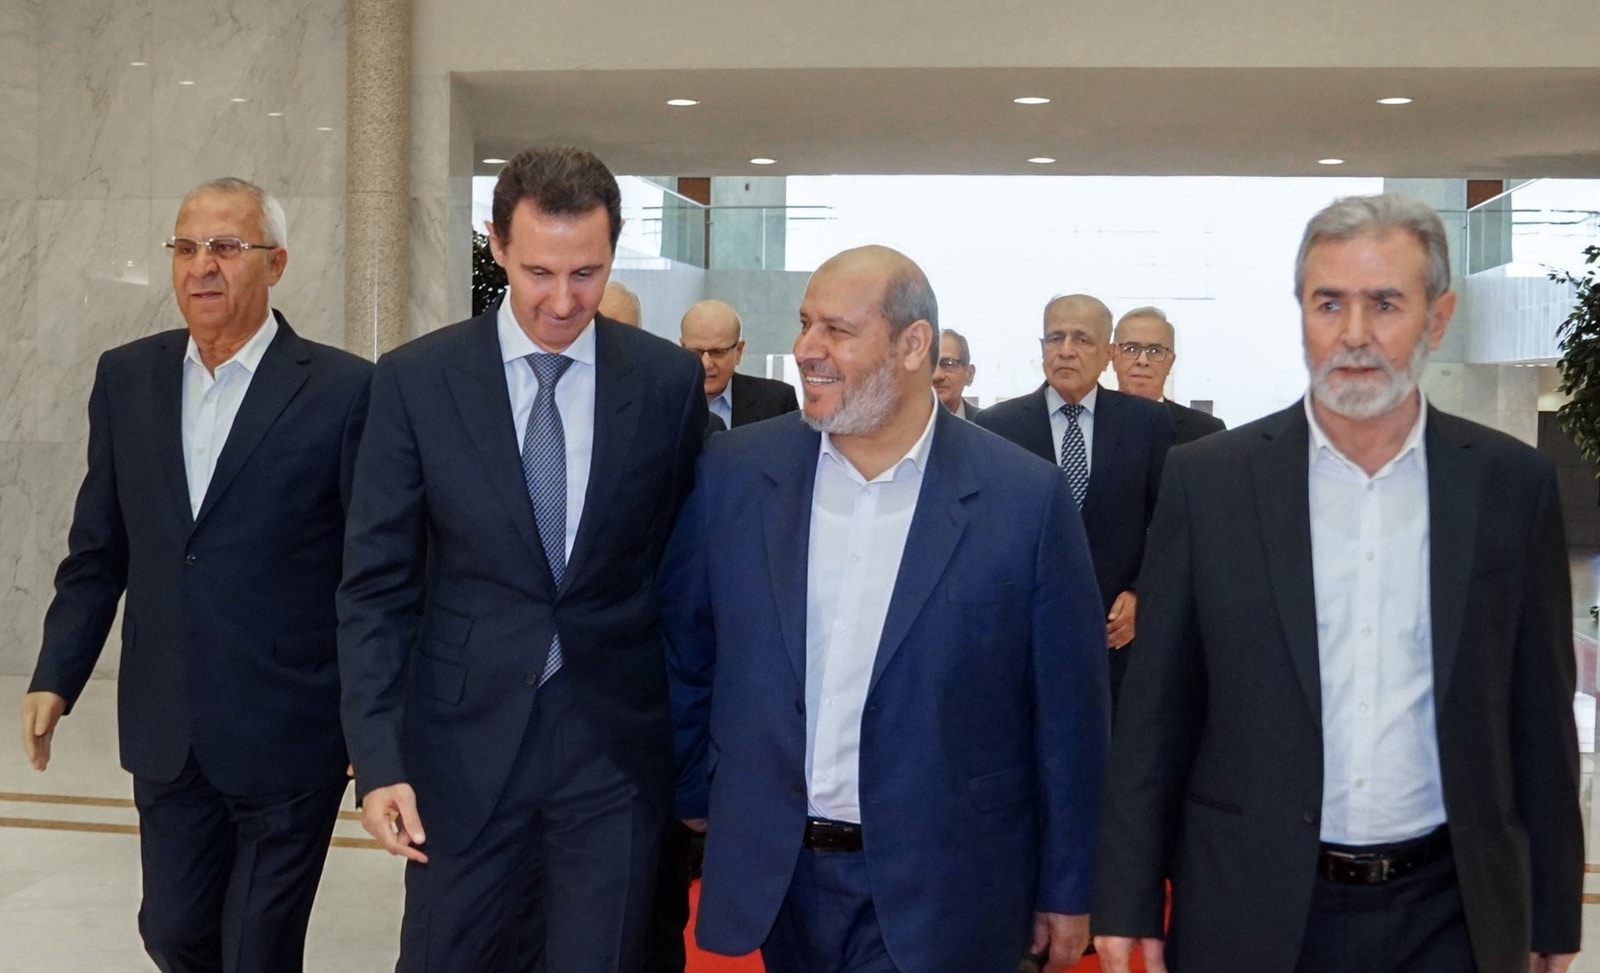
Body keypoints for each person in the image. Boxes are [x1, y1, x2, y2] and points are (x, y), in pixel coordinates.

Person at [1093, 193, 1582, 973]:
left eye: (1385, 303)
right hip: (1250, 902)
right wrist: (1126, 897)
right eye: (1329, 303)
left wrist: (1552, 911)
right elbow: (1156, 711)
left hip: (1449, 909)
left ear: (1438, 318)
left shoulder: (1508, 486)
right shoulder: (1209, 482)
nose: (1354, 333)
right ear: (1302, 315)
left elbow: (1539, 713)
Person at [663, 245, 1110, 973]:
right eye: (805, 324)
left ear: (913, 345)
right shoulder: (737, 473)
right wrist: (696, 790)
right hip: (780, 876)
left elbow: (1069, 711)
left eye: (837, 330)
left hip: (949, 880)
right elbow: (687, 648)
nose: (807, 349)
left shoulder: (1023, 498)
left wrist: (1069, 884)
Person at [338, 146, 707, 971]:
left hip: (614, 746)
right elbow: (375, 587)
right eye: (540, 271)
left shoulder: (666, 382)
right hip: (460, 744)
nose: (563, 300)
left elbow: (683, 580)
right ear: (497, 243)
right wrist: (379, 757)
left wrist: (693, 753)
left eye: (587, 273)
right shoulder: (416, 381)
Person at [20, 177, 370, 972]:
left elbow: (370, 573)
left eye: (225, 246)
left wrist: (370, 713)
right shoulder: (127, 379)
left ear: (275, 263)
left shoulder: (345, 390)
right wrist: (56, 674)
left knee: (257, 949)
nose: (201, 265)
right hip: (168, 724)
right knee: (172, 932)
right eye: (185, 247)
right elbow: (98, 549)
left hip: (292, 726)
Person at [974, 295, 1173, 705]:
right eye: (1055, 338)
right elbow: (983, 532)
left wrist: (1143, 593)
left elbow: (1170, 522)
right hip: (1023, 637)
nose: (1066, 350)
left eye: (1082, 339)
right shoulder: (997, 427)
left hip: (1115, 638)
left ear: (1108, 354)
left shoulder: (1146, 424)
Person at [1110, 306, 1225, 444]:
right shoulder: (1092, 422)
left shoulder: (1206, 431)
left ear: (1171, 362)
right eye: (1131, 349)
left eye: (1155, 351)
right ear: (1113, 357)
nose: (1142, 361)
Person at [679, 298, 799, 428]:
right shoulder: (663, 402)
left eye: (718, 352)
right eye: (696, 352)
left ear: (739, 351)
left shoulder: (777, 402)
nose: (706, 364)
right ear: (682, 347)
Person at [933, 328, 981, 418]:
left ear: (969, 374)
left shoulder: (986, 424)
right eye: (930, 365)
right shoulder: (905, 424)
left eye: (948, 364)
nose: (937, 376)